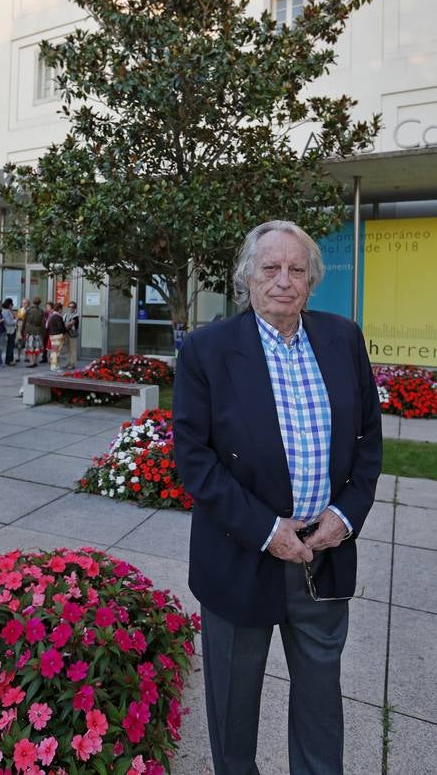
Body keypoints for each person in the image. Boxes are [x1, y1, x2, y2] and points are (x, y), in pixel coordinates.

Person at [173, 220, 382, 775]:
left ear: (312, 281)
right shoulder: (207, 350)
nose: (284, 281)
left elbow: (368, 441)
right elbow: (194, 461)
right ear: (248, 277)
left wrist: (346, 515)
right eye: (271, 268)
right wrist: (269, 531)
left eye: (297, 270)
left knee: (320, 707)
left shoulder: (343, 338)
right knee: (233, 714)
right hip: (241, 557)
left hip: (324, 553)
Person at [22, 297, 45, 367]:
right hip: (38, 331)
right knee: (37, 347)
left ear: (33, 302)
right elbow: (43, 322)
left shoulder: (29, 310)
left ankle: (31, 362)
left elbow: (25, 321)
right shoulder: (41, 311)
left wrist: (23, 330)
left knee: (30, 347)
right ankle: (35, 361)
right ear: (39, 303)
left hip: (30, 331)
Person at [47, 302, 67, 372]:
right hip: (57, 335)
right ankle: (53, 366)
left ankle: (54, 366)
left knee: (54, 351)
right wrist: (65, 330)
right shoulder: (58, 317)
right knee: (56, 352)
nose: (62, 310)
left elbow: (48, 326)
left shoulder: (52, 316)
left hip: (52, 335)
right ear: (59, 309)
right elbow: (60, 327)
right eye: (61, 309)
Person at [63, 300, 79, 369]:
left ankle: (72, 364)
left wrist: (65, 325)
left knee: (73, 349)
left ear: (75, 308)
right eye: (69, 306)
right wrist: (65, 325)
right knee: (68, 349)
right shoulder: (66, 315)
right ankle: (68, 362)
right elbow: (64, 323)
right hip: (66, 333)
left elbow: (71, 323)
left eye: (72, 307)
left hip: (72, 334)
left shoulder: (76, 315)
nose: (70, 308)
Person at [2, 298, 17, 366]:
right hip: (9, 330)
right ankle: (9, 360)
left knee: (11, 346)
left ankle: (11, 359)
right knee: (10, 346)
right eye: (11, 304)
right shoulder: (5, 311)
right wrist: (16, 321)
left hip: (12, 330)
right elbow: (8, 322)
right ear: (9, 304)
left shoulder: (9, 310)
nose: (12, 306)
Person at [15, 298, 30, 362]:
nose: (23, 304)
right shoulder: (20, 310)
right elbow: (18, 318)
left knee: (27, 343)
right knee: (19, 342)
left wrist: (22, 317)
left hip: (27, 328)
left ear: (28, 304)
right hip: (20, 328)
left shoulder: (30, 310)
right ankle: (18, 357)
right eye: (23, 303)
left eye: (25, 303)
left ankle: (26, 357)